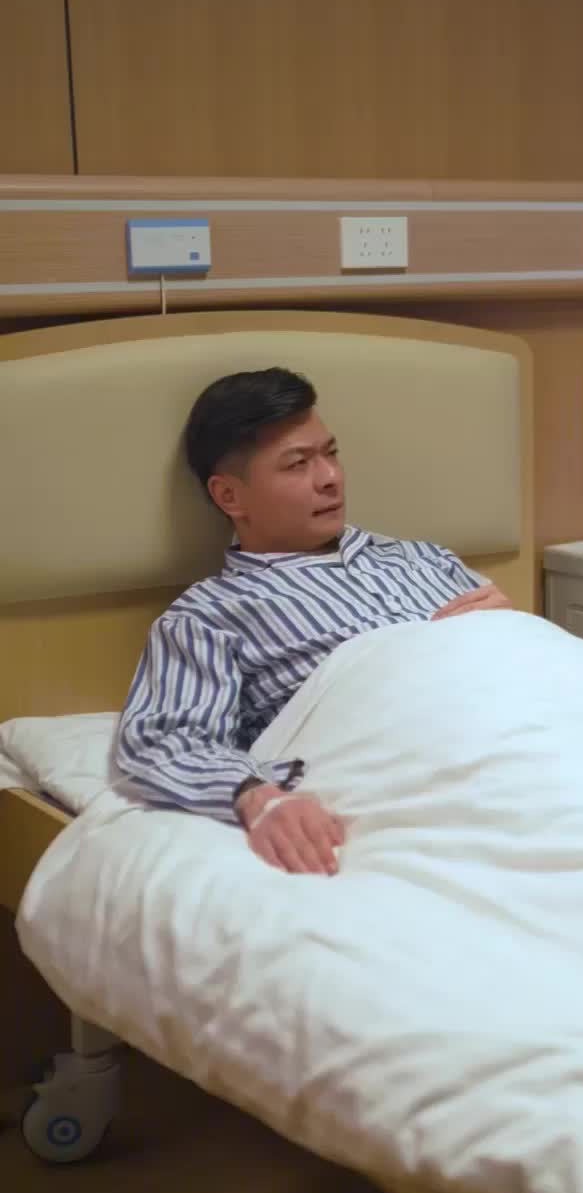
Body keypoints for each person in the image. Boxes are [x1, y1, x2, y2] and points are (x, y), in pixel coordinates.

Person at [113, 366, 511, 873]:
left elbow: (531, 661)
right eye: (298, 464)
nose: (330, 478)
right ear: (230, 496)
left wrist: (512, 626)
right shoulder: (210, 615)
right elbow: (163, 741)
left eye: (331, 453)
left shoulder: (423, 558)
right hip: (426, 768)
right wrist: (257, 796)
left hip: (526, 727)